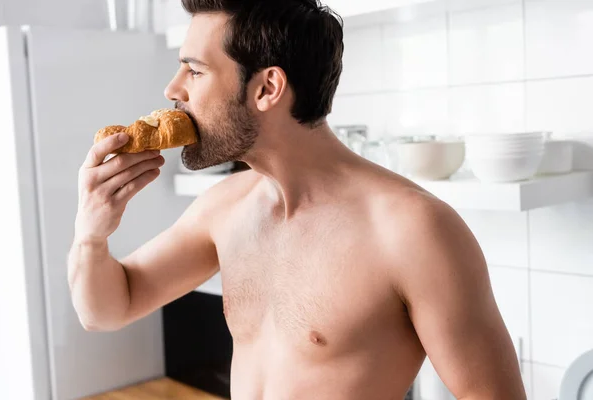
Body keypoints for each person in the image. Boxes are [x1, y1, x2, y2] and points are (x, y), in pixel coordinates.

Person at [68, 0, 527, 398]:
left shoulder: (412, 229)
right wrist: (91, 234)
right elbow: (108, 309)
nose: (173, 91)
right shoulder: (224, 208)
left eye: (195, 70)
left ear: (267, 88)